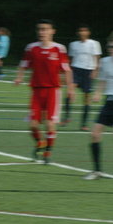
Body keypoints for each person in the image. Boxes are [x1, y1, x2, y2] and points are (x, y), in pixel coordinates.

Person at [14, 19, 75, 164]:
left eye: (45, 29)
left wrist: (70, 89)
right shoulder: (31, 48)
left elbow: (66, 70)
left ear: (52, 31)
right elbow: (23, 64)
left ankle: (48, 152)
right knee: (33, 125)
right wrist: (19, 77)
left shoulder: (59, 49)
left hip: (53, 91)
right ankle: (40, 142)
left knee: (49, 124)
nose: (42, 32)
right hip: (36, 91)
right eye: (40, 29)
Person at [83, 42, 113, 180]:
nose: (111, 49)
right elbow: (102, 80)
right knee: (95, 134)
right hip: (109, 102)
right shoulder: (105, 62)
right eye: (110, 47)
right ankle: (97, 171)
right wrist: (97, 93)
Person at [62, 24, 102, 131]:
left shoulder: (94, 43)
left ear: (88, 32)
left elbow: (97, 58)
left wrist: (95, 70)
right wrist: (69, 72)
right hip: (76, 70)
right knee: (69, 92)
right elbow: (70, 60)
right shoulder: (73, 44)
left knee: (86, 98)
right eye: (80, 30)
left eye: (84, 30)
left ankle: (84, 124)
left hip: (88, 71)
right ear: (77, 33)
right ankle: (67, 117)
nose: (82, 33)